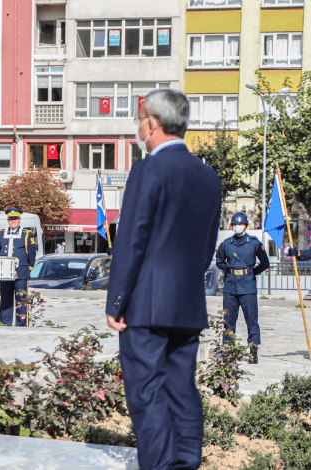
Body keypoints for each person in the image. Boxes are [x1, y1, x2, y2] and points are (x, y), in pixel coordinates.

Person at [105, 89, 222, 470]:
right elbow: (207, 244)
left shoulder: (148, 168)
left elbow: (132, 238)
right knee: (181, 389)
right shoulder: (208, 175)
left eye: (140, 118)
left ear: (152, 122)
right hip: (187, 301)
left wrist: (116, 301)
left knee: (146, 392)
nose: (139, 125)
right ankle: (186, 463)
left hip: (145, 305)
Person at [215, 212, 269, 364]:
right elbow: (219, 261)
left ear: (246, 225)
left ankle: (253, 352)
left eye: (240, 224)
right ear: (231, 226)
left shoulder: (254, 243)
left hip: (248, 287)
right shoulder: (226, 244)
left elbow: (265, 263)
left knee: (252, 321)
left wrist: (252, 272)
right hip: (230, 287)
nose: (237, 227)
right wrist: (228, 269)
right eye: (234, 224)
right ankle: (228, 352)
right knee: (228, 321)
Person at [0, 208, 37, 326]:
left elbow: (32, 253)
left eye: (15, 219)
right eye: (11, 219)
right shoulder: (1, 233)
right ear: (8, 220)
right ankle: (5, 322)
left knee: (21, 299)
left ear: (20, 220)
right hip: (5, 272)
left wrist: (28, 268)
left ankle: (21, 324)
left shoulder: (27, 234)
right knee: (5, 299)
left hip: (21, 271)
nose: (13, 221)